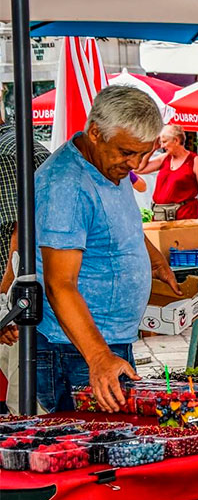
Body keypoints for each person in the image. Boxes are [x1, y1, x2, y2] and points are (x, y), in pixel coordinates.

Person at [33, 85, 181, 413]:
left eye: (145, 153)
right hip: (75, 350)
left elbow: (117, 222)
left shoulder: (107, 164)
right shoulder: (66, 187)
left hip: (107, 343)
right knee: (97, 454)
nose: (136, 163)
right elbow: (60, 285)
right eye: (128, 153)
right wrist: (98, 356)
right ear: (96, 133)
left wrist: (151, 259)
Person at [0, 110, 49, 278]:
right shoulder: (16, 143)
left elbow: (20, 233)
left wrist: (5, 295)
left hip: (19, 289)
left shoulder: (5, 154)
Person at [141, 124, 198, 219]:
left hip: (183, 216)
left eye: (165, 142)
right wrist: (152, 148)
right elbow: (140, 169)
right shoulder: (165, 158)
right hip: (160, 215)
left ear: (176, 140)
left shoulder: (195, 160)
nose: (162, 146)